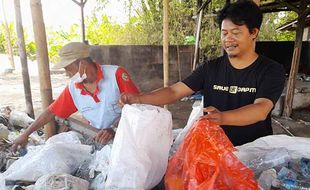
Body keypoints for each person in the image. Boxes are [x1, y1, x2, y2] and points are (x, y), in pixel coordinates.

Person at [119, 0, 285, 146]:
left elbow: (261, 109)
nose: (228, 39)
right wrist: (139, 98)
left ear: (254, 32)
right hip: (213, 149)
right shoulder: (210, 68)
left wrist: (223, 118)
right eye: (224, 33)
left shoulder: (271, 70)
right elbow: (175, 91)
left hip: (254, 152)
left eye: (236, 33)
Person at [12, 42, 139, 150]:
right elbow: (51, 112)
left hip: (127, 139)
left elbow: (138, 108)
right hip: (99, 141)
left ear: (82, 63)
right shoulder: (74, 88)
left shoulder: (116, 75)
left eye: (68, 68)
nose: (67, 73)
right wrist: (26, 134)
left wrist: (113, 129)